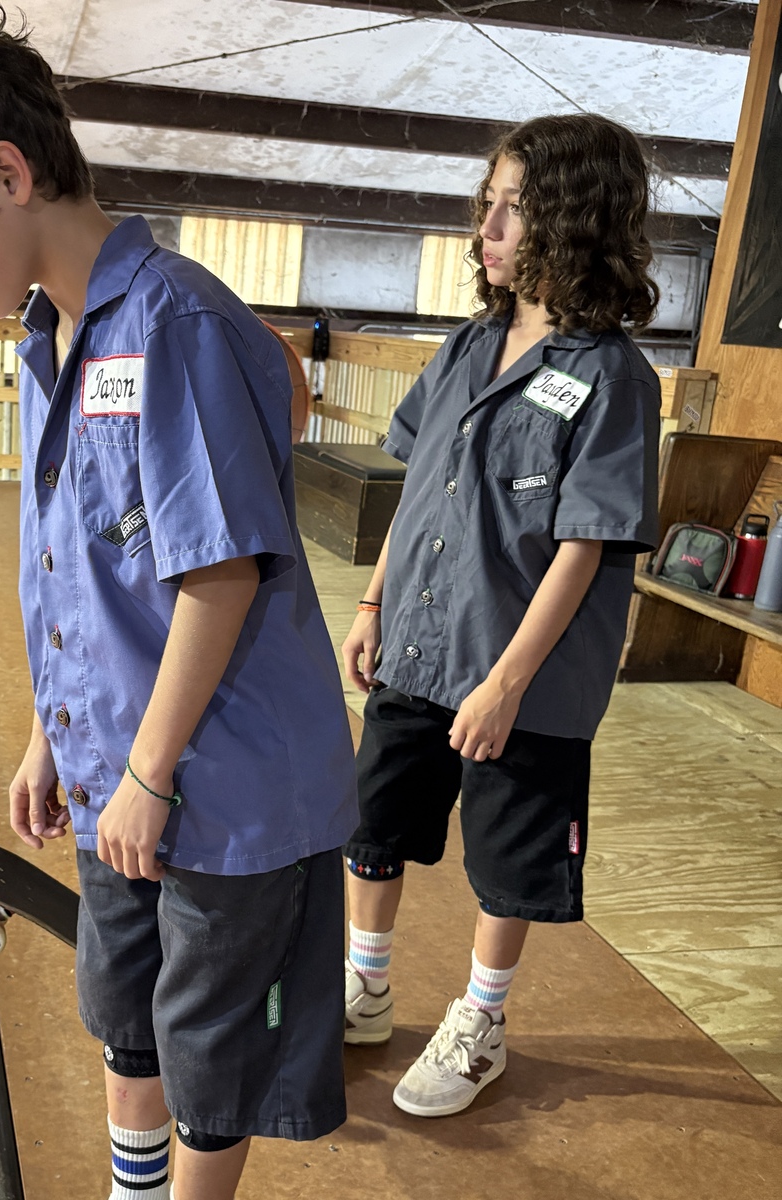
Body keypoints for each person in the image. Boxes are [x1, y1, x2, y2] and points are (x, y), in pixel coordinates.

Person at [0, 5, 357, 1197]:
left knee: (210, 1056)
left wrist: (149, 774)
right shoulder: (49, 340)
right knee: (125, 1012)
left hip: (224, 786)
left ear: (9, 175)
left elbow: (218, 575)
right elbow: (85, 569)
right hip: (122, 769)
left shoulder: (175, 323)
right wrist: (54, 736)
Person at [340, 113, 661, 1117]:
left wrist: (506, 684)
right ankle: (365, 987)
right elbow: (418, 487)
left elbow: (586, 544)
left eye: (513, 209)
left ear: (574, 218)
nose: (487, 228)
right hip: (419, 641)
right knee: (373, 822)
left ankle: (481, 1023)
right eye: (487, 204)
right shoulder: (467, 346)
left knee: (507, 858)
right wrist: (373, 601)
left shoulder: (613, 379)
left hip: (522, 677)